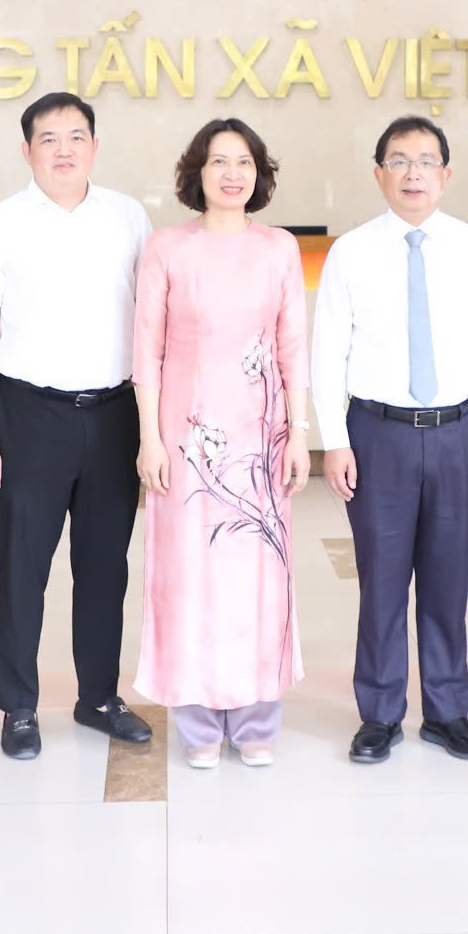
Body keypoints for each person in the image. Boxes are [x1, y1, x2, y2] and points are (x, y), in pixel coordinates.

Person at [314, 115, 468, 765]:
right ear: (379, 173)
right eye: (400, 161)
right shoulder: (351, 251)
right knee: (380, 581)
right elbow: (328, 352)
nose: (413, 173)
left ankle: (446, 710)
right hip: (378, 435)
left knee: (447, 581)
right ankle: (379, 713)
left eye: (426, 161)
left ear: (446, 174)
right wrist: (334, 440)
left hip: (462, 433)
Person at [0, 91, 155, 762]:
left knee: (104, 567)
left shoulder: (129, 216)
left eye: (76, 136)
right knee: (22, 568)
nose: (64, 149)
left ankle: (98, 696)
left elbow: (153, 324)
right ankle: (18, 705)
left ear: (95, 146)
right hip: (28, 415)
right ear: (27, 150)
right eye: (49, 138)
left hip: (113, 414)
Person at [132, 118, 312, 769]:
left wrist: (299, 434)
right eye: (218, 161)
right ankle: (200, 725)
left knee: (257, 579)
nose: (232, 174)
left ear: (259, 174)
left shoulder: (279, 248)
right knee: (189, 576)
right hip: (185, 440)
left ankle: (258, 720)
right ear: (197, 172)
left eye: (244, 162)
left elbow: (293, 347)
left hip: (259, 440)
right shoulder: (167, 248)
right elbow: (145, 350)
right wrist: (149, 438)